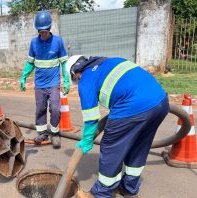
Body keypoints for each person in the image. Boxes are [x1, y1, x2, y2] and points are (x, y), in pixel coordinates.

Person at [65, 56, 169, 198]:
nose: (77, 82)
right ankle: (129, 189)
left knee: (111, 148)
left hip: (133, 107)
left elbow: (91, 118)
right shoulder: (109, 61)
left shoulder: (86, 80)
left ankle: (101, 194)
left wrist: (87, 140)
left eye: (75, 80)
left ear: (75, 73)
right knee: (139, 146)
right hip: (161, 101)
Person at [19, 10, 69, 149]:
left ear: (49, 28)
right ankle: (42, 133)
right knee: (40, 109)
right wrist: (23, 76)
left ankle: (55, 133)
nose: (43, 34)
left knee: (55, 108)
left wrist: (66, 80)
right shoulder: (34, 43)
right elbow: (30, 62)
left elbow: (64, 62)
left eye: (45, 31)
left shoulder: (58, 41)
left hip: (53, 83)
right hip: (40, 84)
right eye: (40, 32)